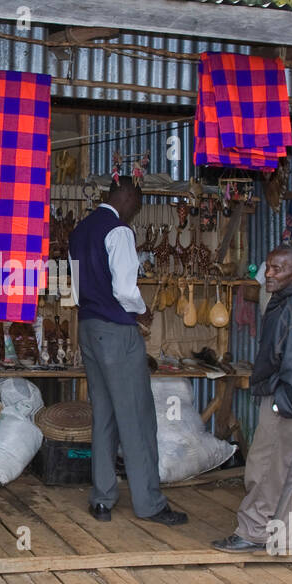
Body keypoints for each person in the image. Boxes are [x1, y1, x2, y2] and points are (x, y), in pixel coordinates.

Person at [68, 178, 187, 525]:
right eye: (137, 203)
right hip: (117, 331)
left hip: (88, 327)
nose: (136, 211)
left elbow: (76, 288)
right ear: (128, 197)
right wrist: (141, 310)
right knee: (136, 417)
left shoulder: (80, 230)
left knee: (103, 414)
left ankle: (102, 499)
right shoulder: (118, 231)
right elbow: (124, 288)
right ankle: (150, 503)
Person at [212, 245, 292, 551]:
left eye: (277, 269)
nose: (268, 273)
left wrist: (285, 402)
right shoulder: (291, 301)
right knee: (283, 467)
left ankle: (253, 532)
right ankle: (279, 534)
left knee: (263, 465)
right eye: (267, 267)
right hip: (287, 394)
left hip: (288, 397)